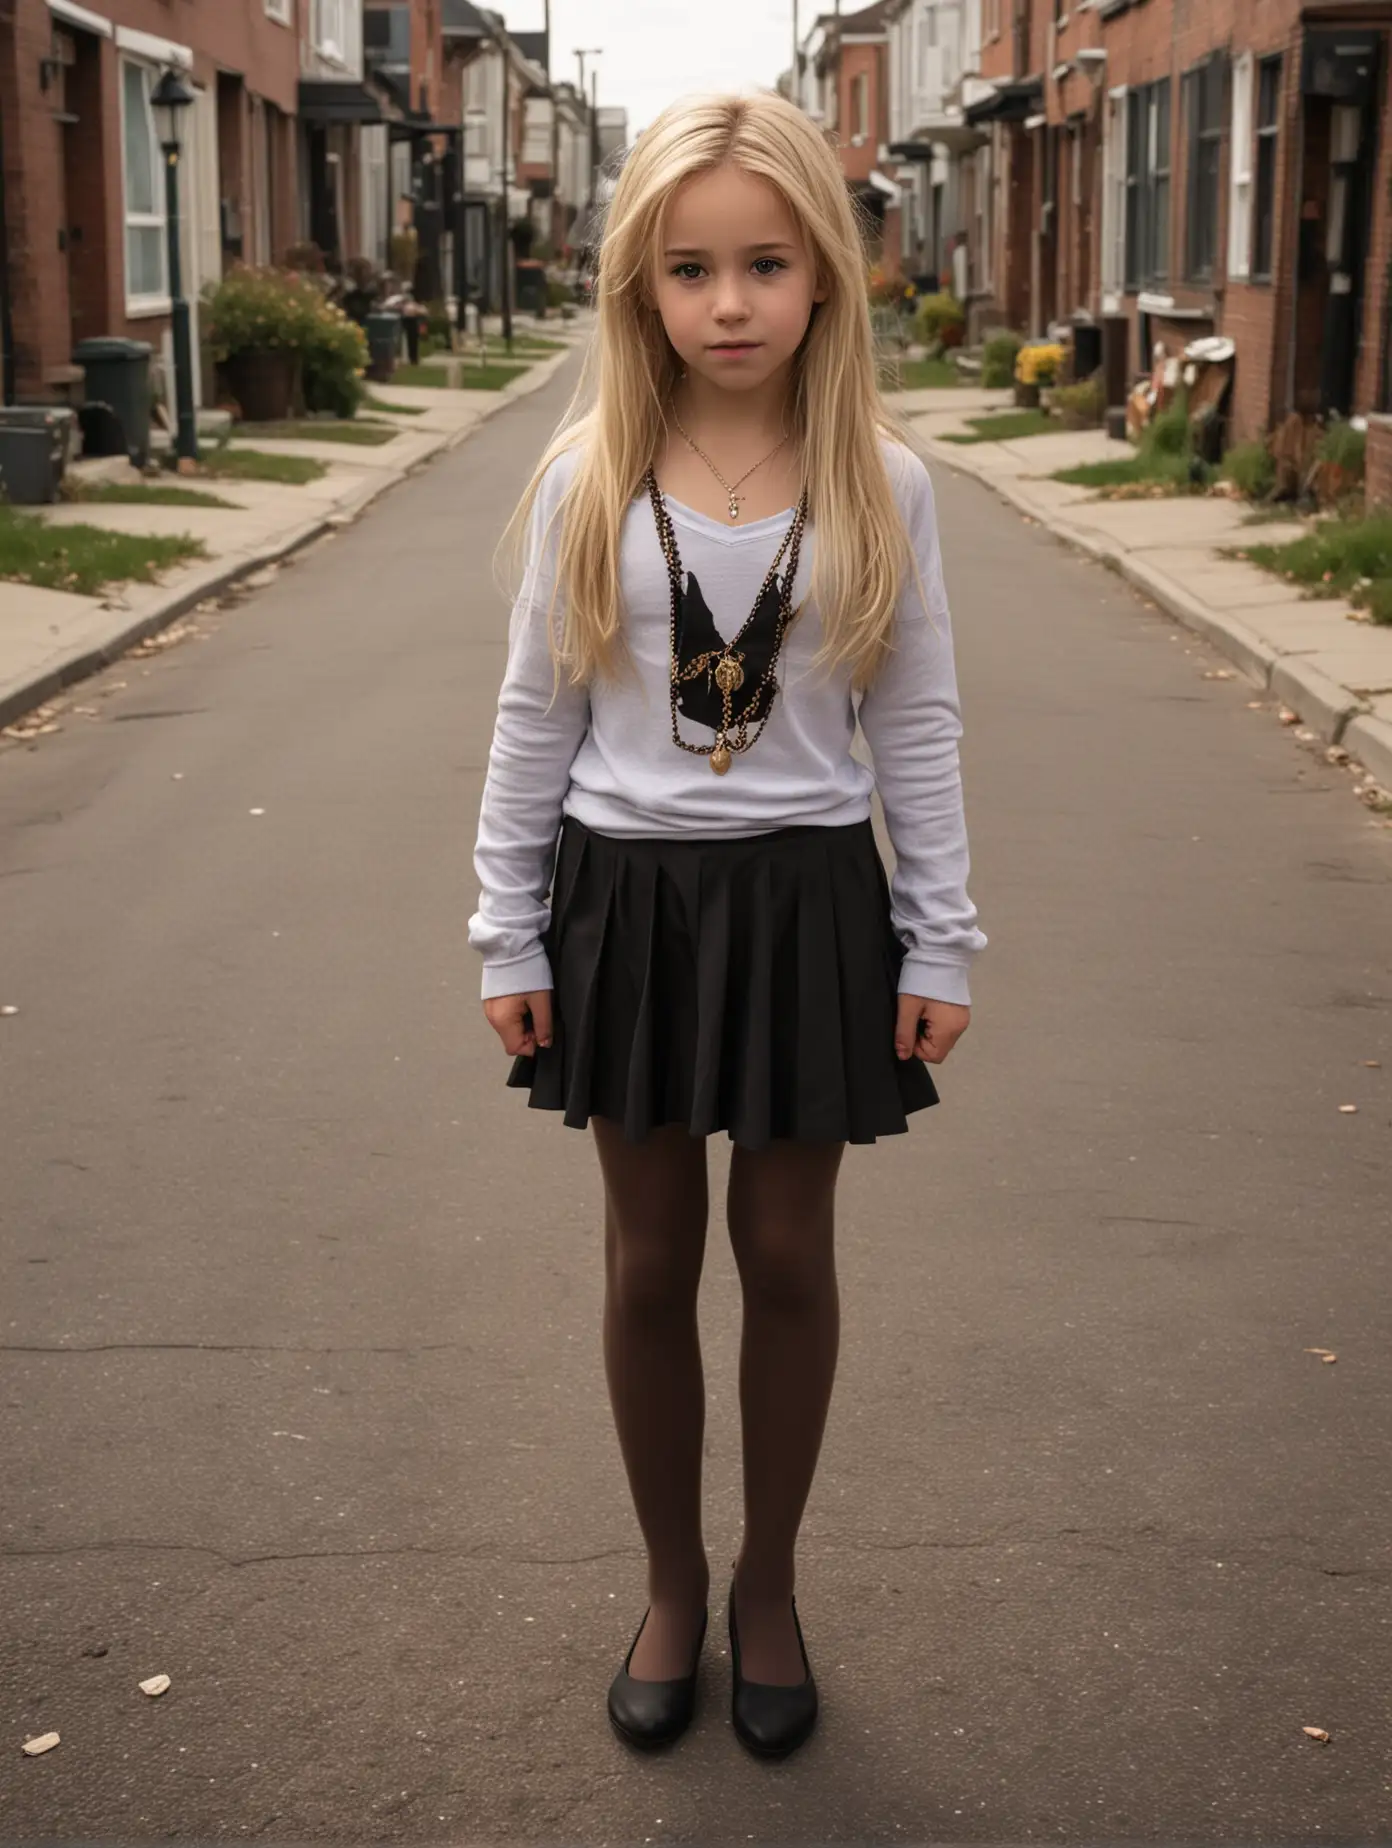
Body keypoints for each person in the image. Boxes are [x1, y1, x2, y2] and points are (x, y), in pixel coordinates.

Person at [469, 89, 986, 1760]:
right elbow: (530, 727)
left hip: (808, 901)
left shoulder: (881, 484)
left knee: (782, 1253)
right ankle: (671, 1584)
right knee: (645, 1261)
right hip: (625, 902)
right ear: (643, 288)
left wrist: (944, 937)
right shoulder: (588, 479)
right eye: (692, 271)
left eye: (767, 263)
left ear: (825, 274)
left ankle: (769, 1583)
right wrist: (507, 935)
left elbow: (918, 727)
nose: (733, 303)